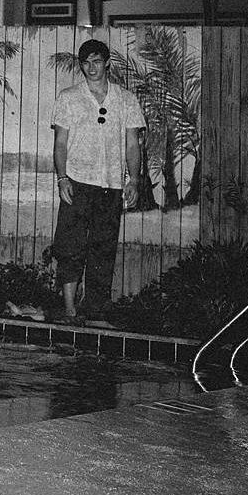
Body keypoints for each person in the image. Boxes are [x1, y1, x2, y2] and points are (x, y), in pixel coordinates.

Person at [52, 39, 145, 320]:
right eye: (85, 62)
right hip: (77, 182)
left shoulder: (126, 99)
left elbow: (132, 145)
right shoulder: (68, 97)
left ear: (106, 63)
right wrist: (62, 178)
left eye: (96, 61)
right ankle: (69, 307)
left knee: (103, 249)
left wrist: (133, 180)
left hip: (111, 186)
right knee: (70, 246)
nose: (91, 68)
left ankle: (95, 310)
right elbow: (60, 143)